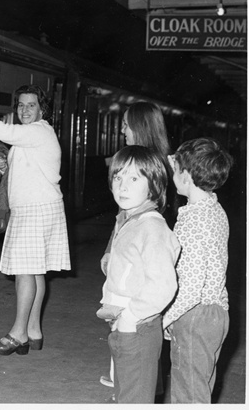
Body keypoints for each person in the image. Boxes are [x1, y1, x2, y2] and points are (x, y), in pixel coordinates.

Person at [0, 85, 70, 356]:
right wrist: (9, 168)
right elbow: (33, 168)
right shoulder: (36, 134)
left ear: (42, 109)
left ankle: (18, 333)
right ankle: (33, 331)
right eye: (20, 105)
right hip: (41, 206)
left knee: (24, 271)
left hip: (34, 209)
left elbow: (3, 131)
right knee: (36, 271)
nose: (24, 110)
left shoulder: (37, 130)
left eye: (31, 105)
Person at [100, 100, 174, 390]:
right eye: (118, 178)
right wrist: (111, 249)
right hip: (129, 299)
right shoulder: (138, 165)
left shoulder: (153, 169)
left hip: (140, 304)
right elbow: (123, 220)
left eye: (126, 124)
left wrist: (132, 314)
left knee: (140, 369)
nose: (122, 130)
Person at [163, 138, 233, 403]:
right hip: (217, 314)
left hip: (194, 316)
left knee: (189, 396)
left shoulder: (192, 220)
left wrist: (166, 318)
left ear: (186, 175)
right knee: (200, 388)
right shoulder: (215, 208)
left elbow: (190, 288)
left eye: (175, 169)